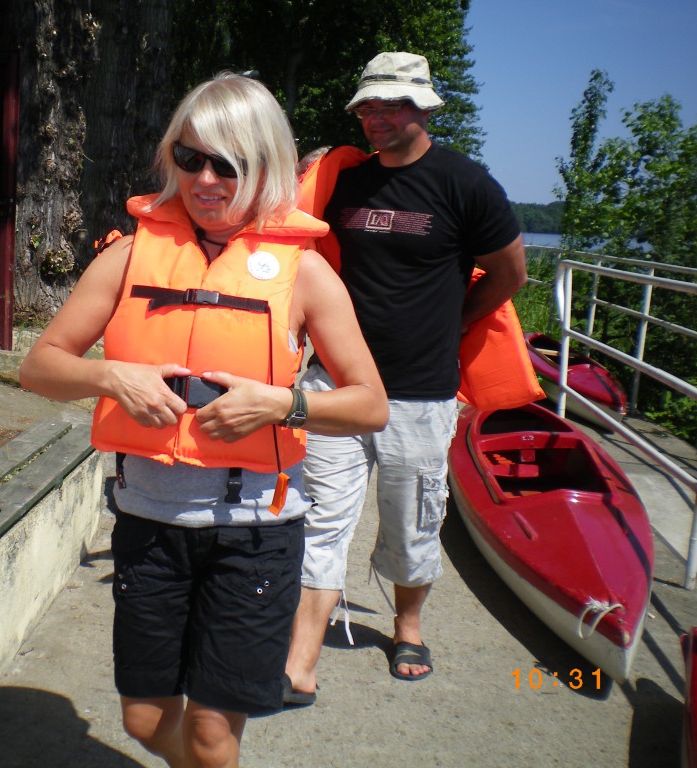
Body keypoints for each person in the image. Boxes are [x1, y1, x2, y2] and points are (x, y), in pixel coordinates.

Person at [19, 72, 387, 768]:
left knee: (215, 734)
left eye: (229, 163)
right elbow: (39, 367)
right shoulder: (128, 255)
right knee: (143, 719)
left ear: (266, 166)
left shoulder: (307, 275)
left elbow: (371, 403)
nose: (205, 180)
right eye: (190, 159)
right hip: (149, 523)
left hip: (256, 536)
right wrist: (110, 376)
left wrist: (284, 403)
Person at [283, 51, 528, 697]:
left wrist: (455, 325)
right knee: (319, 518)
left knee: (412, 522)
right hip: (336, 382)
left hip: (419, 394)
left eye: (390, 105)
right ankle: (300, 657)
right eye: (367, 106)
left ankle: (408, 626)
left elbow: (510, 274)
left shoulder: (466, 183)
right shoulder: (346, 183)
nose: (375, 117)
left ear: (423, 108)